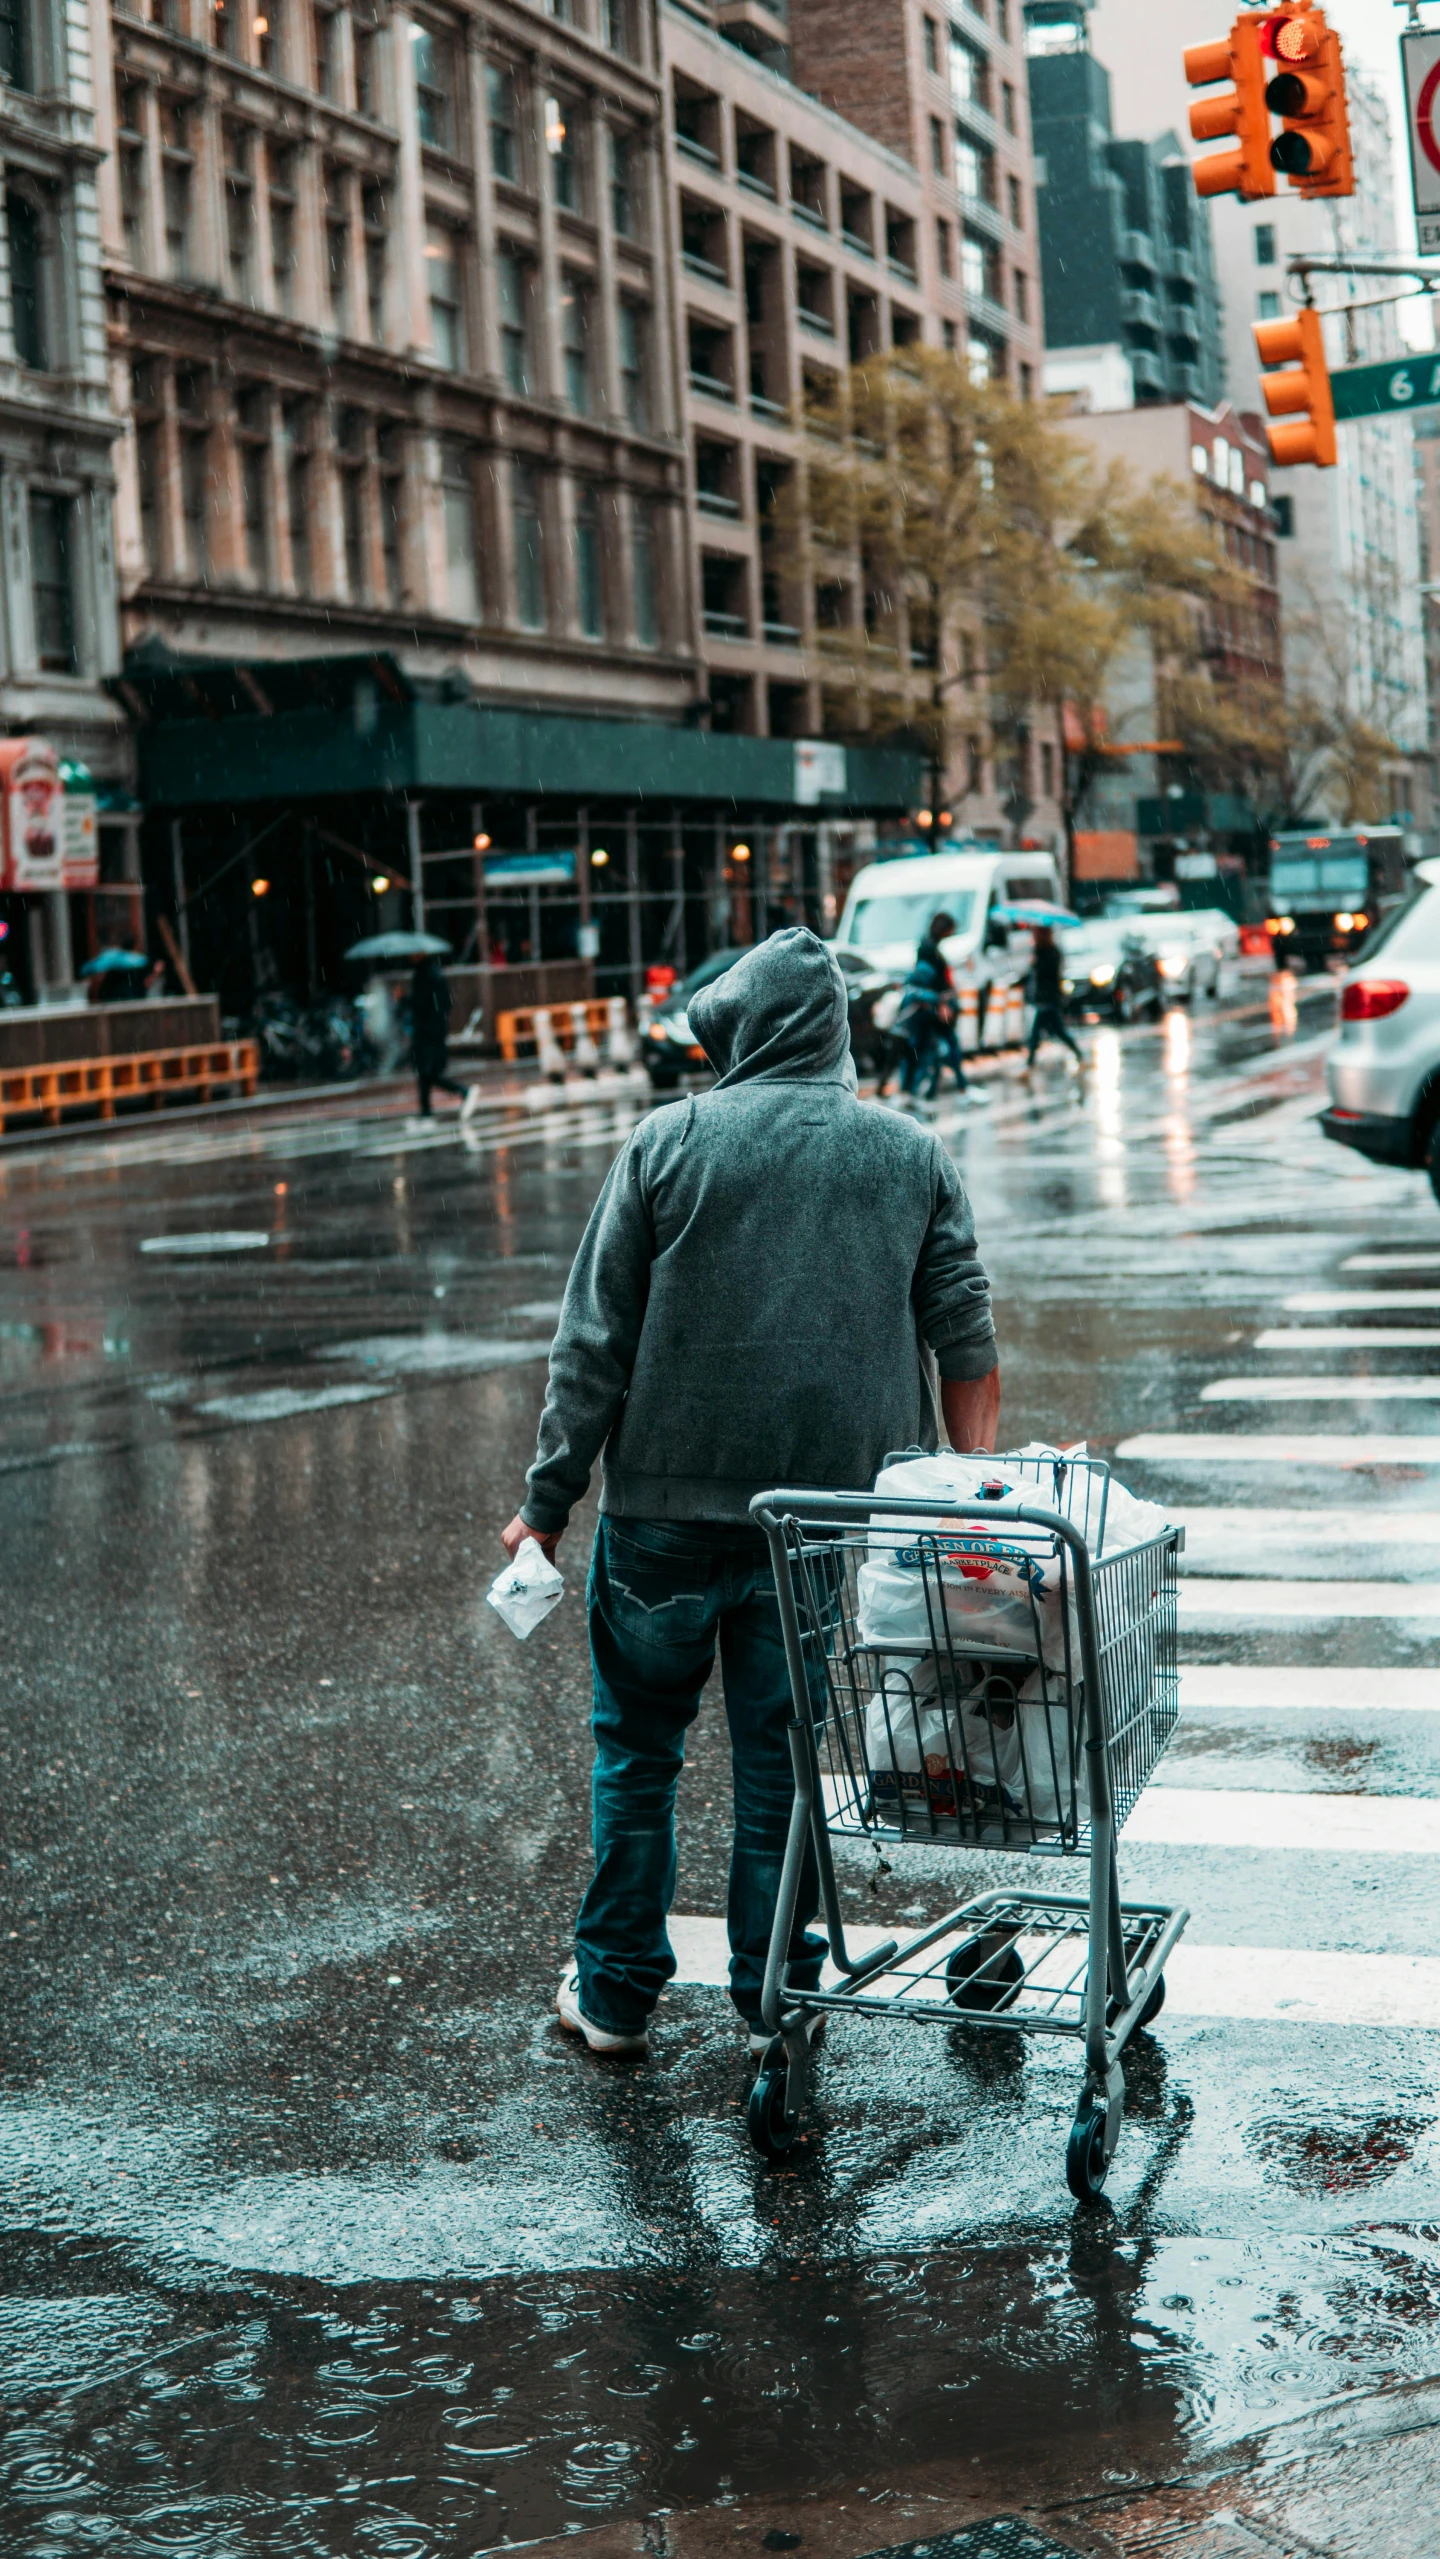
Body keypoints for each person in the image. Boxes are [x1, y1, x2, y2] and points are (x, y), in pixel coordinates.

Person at [501, 928, 1000, 2061]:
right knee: (780, 1761)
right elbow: (967, 1345)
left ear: (738, 1033)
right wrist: (966, 1491)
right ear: (831, 1034)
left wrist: (547, 1501)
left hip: (660, 1527)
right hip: (818, 1533)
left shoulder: (666, 1144)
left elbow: (592, 1348)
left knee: (637, 1751)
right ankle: (777, 1985)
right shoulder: (908, 1153)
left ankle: (618, 1993)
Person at [409, 952, 466, 1116]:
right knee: (426, 1073)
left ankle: (461, 1091)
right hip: (434, 1031)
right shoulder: (434, 975)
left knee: (428, 1073)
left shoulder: (424, 977)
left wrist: (404, 1000)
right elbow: (446, 1004)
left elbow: (420, 1005)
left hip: (427, 1033)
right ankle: (426, 1110)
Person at [1026, 925, 1083, 1069]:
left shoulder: (1051, 952)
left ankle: (1030, 1064)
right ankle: (1078, 1053)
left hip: (1049, 999)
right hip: (1043, 999)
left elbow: (1049, 974)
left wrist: (1036, 962)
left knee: (1037, 1033)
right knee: (1058, 1031)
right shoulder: (1039, 951)